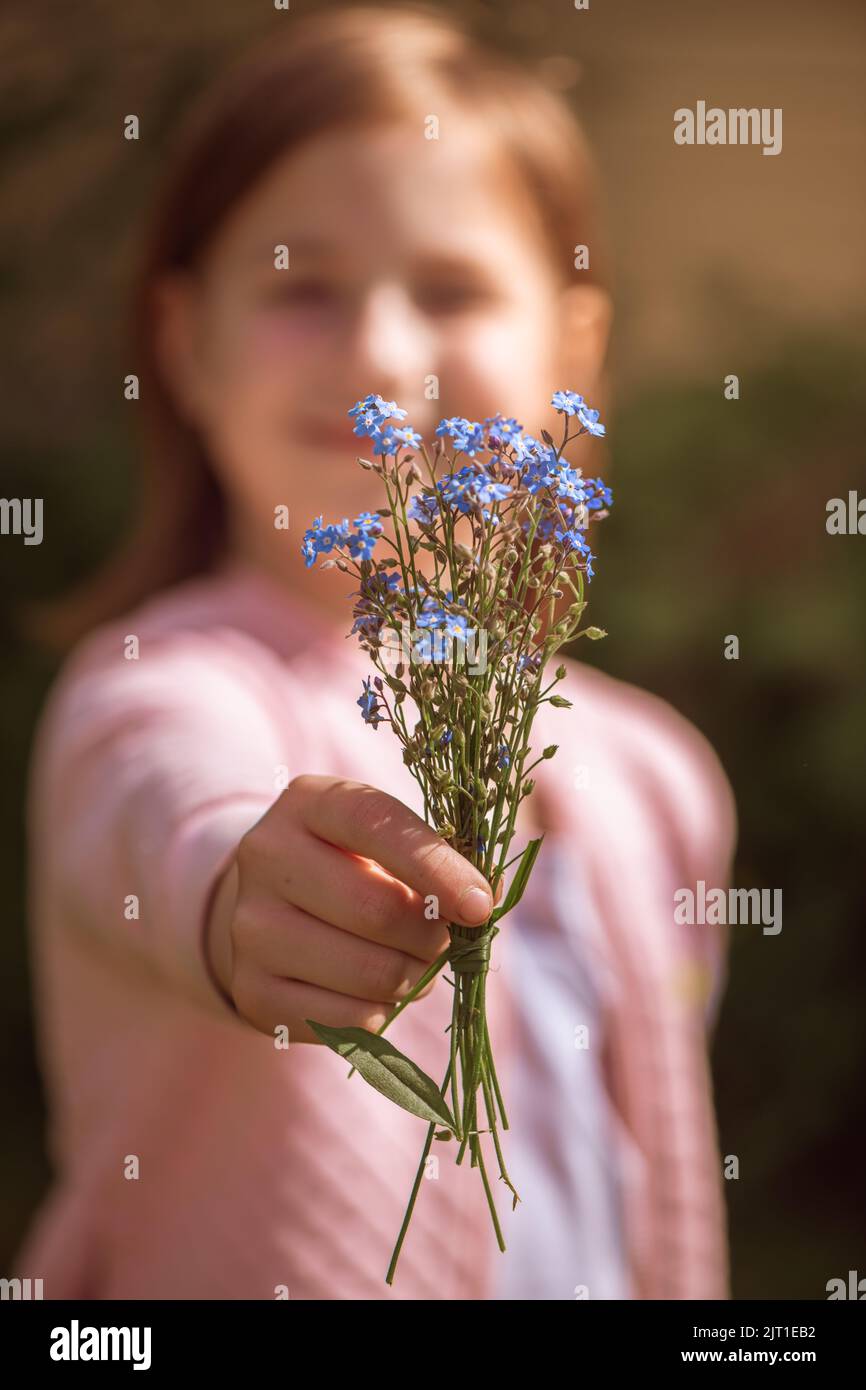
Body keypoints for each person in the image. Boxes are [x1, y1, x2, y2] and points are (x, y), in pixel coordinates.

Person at [13, 4, 736, 1300]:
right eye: (302, 288)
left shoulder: (658, 773)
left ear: (577, 350)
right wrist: (236, 892)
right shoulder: (157, 683)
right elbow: (162, 803)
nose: (381, 355)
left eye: (452, 289)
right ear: (184, 346)